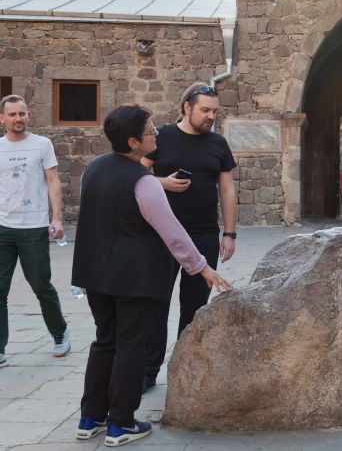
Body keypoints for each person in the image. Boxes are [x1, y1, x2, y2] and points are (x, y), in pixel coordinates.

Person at [72, 104, 231, 446]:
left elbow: (91, 224)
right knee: (131, 347)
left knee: (105, 342)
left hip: (97, 275)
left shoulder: (94, 169)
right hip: (135, 279)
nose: (156, 134)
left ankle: (90, 418)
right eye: (149, 131)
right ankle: (121, 424)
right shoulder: (144, 183)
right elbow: (172, 232)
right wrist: (201, 267)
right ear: (133, 142)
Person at [142, 83, 236, 392]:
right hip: (161, 235)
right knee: (156, 304)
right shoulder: (162, 137)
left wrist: (230, 233)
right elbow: (136, 177)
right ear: (187, 108)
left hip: (204, 234)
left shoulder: (218, 144)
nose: (211, 116)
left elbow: (226, 190)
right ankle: (148, 371)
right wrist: (162, 184)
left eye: (214, 111)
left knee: (194, 308)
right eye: (205, 110)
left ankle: (183, 370)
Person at [0, 94, 70, 368]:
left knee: (41, 285)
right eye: (13, 114)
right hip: (3, 228)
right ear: (3, 118)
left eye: (23, 113)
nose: (19, 118)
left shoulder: (42, 144)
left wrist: (57, 218)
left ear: (28, 115)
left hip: (34, 227)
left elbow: (53, 182)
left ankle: (60, 333)